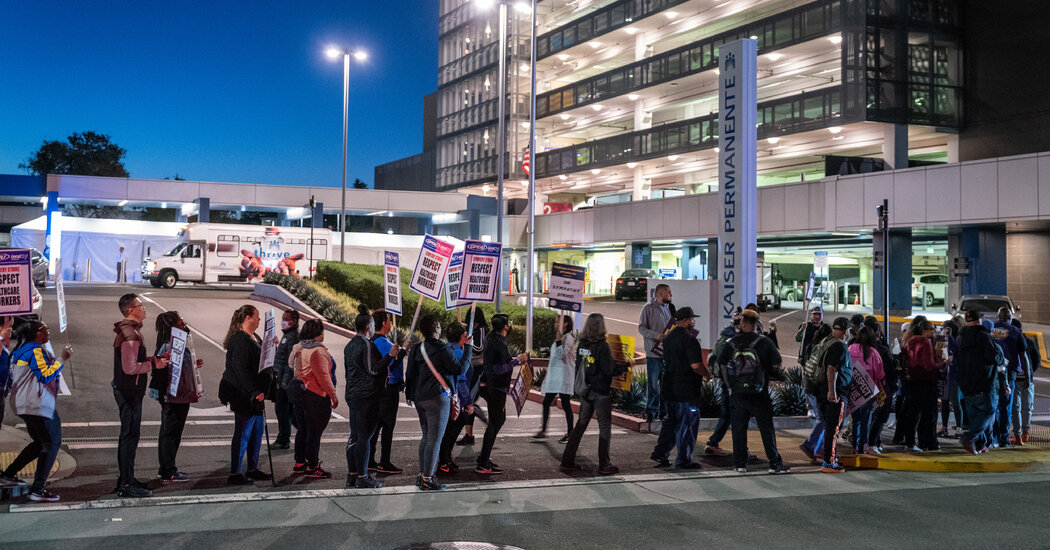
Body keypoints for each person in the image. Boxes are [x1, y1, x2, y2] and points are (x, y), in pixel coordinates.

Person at [0, 320, 71, 501]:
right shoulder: (36, 351)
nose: (48, 330)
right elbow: (45, 375)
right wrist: (62, 359)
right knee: (52, 444)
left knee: (40, 443)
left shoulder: (19, 350)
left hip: (22, 404)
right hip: (37, 405)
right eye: (45, 328)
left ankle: (8, 475)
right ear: (37, 334)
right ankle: (38, 489)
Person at [715, 309, 790, 474]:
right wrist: (765, 372)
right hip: (759, 392)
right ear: (757, 324)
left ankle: (740, 464)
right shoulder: (765, 342)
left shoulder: (731, 343)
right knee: (766, 429)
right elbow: (777, 364)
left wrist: (730, 386)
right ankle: (774, 464)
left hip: (737, 393)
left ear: (743, 324)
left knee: (739, 429)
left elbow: (721, 365)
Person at [406, 315, 471, 491]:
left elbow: (410, 373)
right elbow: (460, 369)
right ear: (435, 329)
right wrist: (468, 348)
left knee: (426, 437)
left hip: (420, 398)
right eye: (439, 326)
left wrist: (410, 394)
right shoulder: (442, 349)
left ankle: (422, 475)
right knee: (434, 440)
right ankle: (428, 479)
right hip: (437, 398)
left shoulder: (417, 348)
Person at [113, 293, 168, 498]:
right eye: (141, 305)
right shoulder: (131, 334)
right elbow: (130, 368)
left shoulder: (131, 331)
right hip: (129, 391)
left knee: (129, 436)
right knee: (129, 436)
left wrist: (154, 359)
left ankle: (126, 478)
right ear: (131, 310)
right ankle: (127, 484)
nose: (144, 308)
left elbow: (135, 360)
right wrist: (155, 364)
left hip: (128, 389)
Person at [561, 313, 627, 475]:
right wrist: (626, 365)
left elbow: (579, 366)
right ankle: (604, 464)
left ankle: (567, 461)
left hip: (585, 391)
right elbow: (609, 369)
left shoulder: (582, 345)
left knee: (580, 425)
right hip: (600, 392)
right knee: (604, 427)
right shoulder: (602, 346)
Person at [344, 305, 400, 488]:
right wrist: (390, 356)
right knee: (364, 438)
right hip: (366, 396)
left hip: (353, 394)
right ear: (368, 327)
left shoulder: (349, 345)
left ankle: (353, 474)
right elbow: (373, 369)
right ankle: (362, 476)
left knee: (354, 436)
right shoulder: (367, 345)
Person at [650, 307, 710, 470]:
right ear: (686, 320)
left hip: (669, 388)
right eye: (692, 319)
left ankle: (660, 453)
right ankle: (684, 460)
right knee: (687, 424)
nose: (693, 322)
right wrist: (706, 374)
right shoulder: (690, 340)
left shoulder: (668, 338)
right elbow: (696, 365)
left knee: (670, 422)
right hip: (686, 390)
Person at [218, 304, 272, 485]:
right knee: (243, 433)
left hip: (256, 394)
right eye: (257, 316)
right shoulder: (240, 340)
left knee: (256, 432)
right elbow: (241, 371)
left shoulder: (254, 337)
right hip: (243, 394)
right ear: (248, 317)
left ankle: (252, 468)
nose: (259, 319)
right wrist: (254, 391)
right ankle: (235, 473)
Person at [151, 311, 203, 483]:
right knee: (171, 434)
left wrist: (192, 365)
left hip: (177, 396)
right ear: (173, 327)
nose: (185, 326)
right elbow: (172, 374)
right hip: (175, 397)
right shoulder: (170, 347)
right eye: (181, 323)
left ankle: (167, 469)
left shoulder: (172, 344)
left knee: (169, 433)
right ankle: (168, 471)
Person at [476, 313, 527, 475]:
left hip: (495, 386)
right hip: (495, 387)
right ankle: (483, 462)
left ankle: (484, 458)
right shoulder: (497, 342)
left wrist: (515, 359)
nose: (510, 325)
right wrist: (517, 360)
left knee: (498, 420)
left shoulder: (494, 339)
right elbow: (498, 368)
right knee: (495, 422)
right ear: (505, 326)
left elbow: (501, 362)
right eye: (508, 323)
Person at [289, 319, 338, 478]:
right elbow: (323, 377)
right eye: (322, 331)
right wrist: (333, 395)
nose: (323, 334)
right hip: (314, 394)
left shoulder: (299, 347)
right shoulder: (318, 351)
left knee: (303, 429)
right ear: (317, 333)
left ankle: (299, 463)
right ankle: (313, 466)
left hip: (299, 393)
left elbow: (290, 364)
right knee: (314, 431)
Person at [810, 317, 852, 473]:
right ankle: (829, 462)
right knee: (833, 428)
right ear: (846, 331)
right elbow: (831, 369)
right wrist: (832, 391)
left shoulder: (826, 341)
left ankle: (826, 456)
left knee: (829, 427)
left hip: (821, 390)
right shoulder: (839, 346)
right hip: (835, 393)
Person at [957, 309, 1001, 454]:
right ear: (978, 320)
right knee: (988, 412)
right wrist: (1001, 358)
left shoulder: (960, 338)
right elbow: (992, 357)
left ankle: (980, 444)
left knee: (975, 415)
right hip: (984, 383)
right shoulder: (983, 336)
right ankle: (969, 438)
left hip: (967, 384)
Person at [370, 309, 404, 474]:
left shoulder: (372, 341)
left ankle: (370, 460)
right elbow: (389, 363)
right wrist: (402, 353)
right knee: (388, 426)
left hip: (378, 388)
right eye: (389, 320)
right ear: (384, 323)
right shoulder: (383, 342)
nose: (390, 323)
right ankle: (385, 461)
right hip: (388, 388)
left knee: (376, 426)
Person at [439, 320, 476, 475]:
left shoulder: (445, 349)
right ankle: (444, 460)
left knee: (446, 432)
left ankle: (444, 459)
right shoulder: (459, 353)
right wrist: (467, 402)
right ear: (461, 336)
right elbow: (461, 381)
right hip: (456, 399)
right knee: (451, 432)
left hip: (443, 396)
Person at [902, 319, 944, 451]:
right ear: (925, 330)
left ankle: (910, 442)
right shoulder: (925, 342)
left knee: (914, 413)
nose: (934, 332)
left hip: (913, 380)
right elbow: (928, 366)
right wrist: (943, 363)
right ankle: (929, 442)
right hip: (926, 381)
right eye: (932, 329)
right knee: (930, 414)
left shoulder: (910, 341)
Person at [535, 315, 576, 443]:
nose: (556, 324)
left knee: (566, 405)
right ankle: (543, 430)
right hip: (556, 377)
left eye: (558, 321)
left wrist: (558, 342)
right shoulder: (561, 338)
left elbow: (561, 355)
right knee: (547, 402)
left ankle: (571, 433)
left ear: (565, 324)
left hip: (563, 377)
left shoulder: (568, 338)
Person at [638, 284, 674, 422]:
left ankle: (663, 412)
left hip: (667, 353)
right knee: (653, 385)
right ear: (661, 294)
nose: (671, 294)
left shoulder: (670, 308)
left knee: (666, 385)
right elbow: (641, 328)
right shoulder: (648, 308)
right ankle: (650, 412)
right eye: (668, 292)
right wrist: (656, 336)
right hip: (653, 354)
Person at [990, 307, 1026, 447]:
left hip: (993, 371)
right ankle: (1003, 439)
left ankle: (993, 437)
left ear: (998, 317)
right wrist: (1027, 375)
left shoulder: (991, 329)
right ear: (1010, 318)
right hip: (1009, 372)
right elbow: (1023, 355)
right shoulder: (1015, 331)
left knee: (994, 404)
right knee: (1005, 406)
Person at [848, 326, 884, 455]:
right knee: (865, 420)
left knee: (855, 419)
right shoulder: (873, 352)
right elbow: (880, 373)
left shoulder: (850, 348)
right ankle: (862, 446)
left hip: (853, 388)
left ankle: (854, 445)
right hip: (868, 389)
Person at [863, 316, 897, 452]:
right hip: (881, 385)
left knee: (869, 415)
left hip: (865, 384)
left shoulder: (859, 345)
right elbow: (891, 365)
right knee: (880, 415)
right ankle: (872, 443)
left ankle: (870, 442)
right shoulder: (880, 349)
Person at [457, 309, 488, 446]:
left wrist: (467, 343)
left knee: (469, 400)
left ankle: (484, 423)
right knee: (468, 400)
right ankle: (469, 434)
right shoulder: (473, 330)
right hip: (472, 368)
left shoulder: (481, 330)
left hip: (479, 369)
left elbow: (479, 347)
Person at [271, 309, 301, 451]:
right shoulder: (288, 336)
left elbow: (290, 363)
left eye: (285, 319)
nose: (283, 321)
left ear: (293, 321)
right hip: (282, 381)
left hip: (285, 383)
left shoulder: (293, 337)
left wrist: (284, 384)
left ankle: (284, 439)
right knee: (286, 412)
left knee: (285, 412)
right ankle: (286, 437)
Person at [1012, 318, 1038, 445]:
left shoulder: (1010, 341)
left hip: (1015, 378)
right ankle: (1025, 432)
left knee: (1015, 407)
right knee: (1027, 406)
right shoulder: (1028, 342)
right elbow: (1036, 359)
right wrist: (1030, 372)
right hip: (1027, 378)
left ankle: (1018, 434)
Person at [937, 320, 962, 438]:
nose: (941, 330)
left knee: (956, 403)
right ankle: (944, 428)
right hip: (945, 375)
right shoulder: (943, 340)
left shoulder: (953, 340)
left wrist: (948, 337)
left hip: (953, 376)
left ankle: (959, 430)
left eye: (944, 327)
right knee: (945, 402)